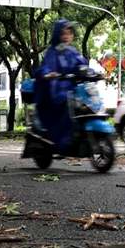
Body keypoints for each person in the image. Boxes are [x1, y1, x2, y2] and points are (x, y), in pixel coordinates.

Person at [34, 19, 88, 152]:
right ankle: (63, 142)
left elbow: (82, 64)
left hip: (73, 89)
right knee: (65, 105)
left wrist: (93, 73)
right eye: (63, 33)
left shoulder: (72, 51)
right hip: (56, 90)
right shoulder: (52, 51)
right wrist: (48, 74)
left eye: (69, 33)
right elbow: (46, 67)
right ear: (57, 35)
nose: (66, 37)